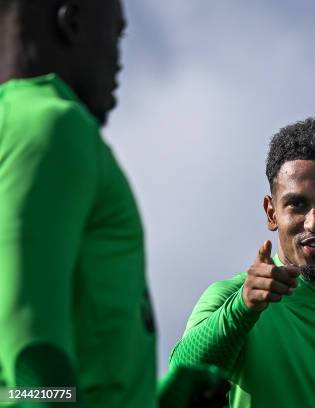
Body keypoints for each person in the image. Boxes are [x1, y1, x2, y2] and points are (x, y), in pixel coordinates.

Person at [0, 1, 226, 406]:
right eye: (117, 34)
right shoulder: (51, 127)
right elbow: (30, 350)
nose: (120, 59)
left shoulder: (20, 125)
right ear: (72, 22)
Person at [170, 117, 315, 407]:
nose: (314, 223)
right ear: (271, 213)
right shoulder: (232, 300)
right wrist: (242, 309)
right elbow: (181, 380)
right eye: (297, 204)